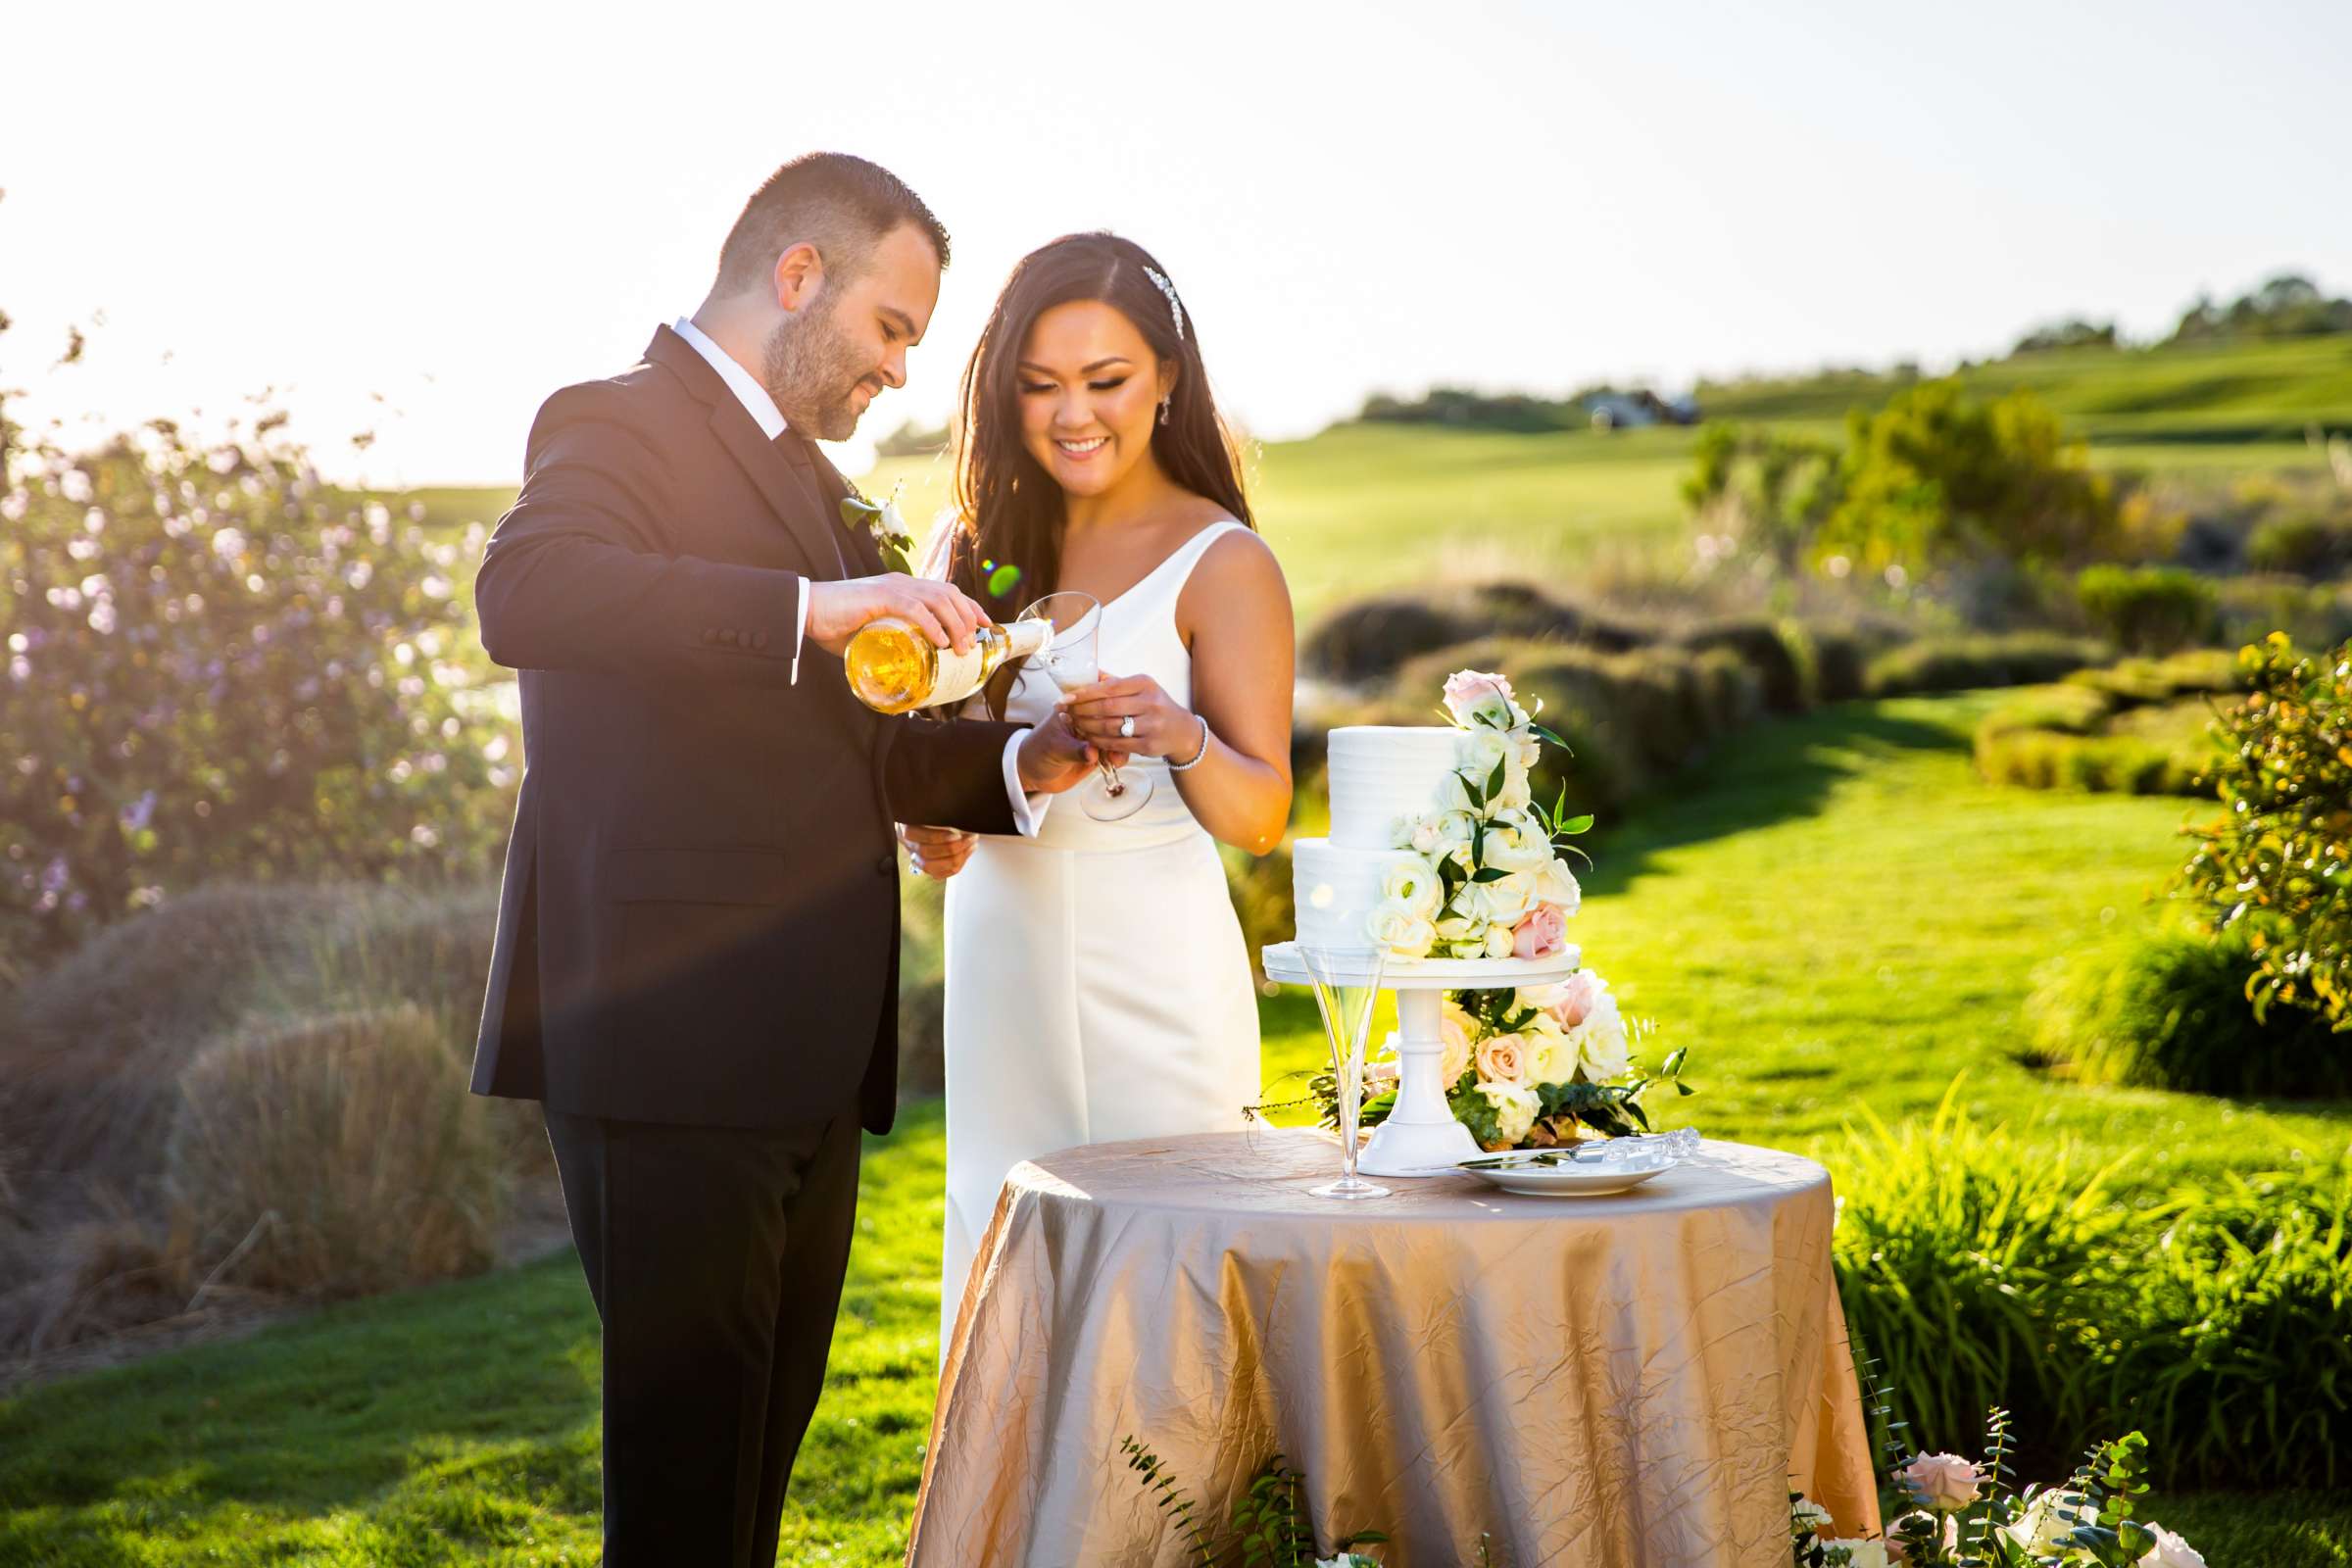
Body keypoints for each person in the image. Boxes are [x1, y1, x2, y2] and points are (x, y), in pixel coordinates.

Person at [466, 153, 1098, 1568]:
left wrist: (1022, 765)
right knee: (686, 1489)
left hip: (805, 1054)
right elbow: (531, 591)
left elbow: (849, 740)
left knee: (754, 1477)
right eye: (892, 329)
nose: (895, 372)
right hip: (664, 1039)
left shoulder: (812, 486)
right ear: (798, 276)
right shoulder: (610, 419)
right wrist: (817, 604)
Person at [900, 232, 1296, 1359]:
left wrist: (1179, 733)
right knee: (1009, 1256)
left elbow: (1260, 817)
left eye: (1106, 381)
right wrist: (933, 824)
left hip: (1157, 973)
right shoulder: (971, 546)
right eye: (1040, 386)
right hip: (1001, 970)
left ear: (1167, 377)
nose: (1074, 414)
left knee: (1172, 1272)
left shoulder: (1223, 562)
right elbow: (937, 767)